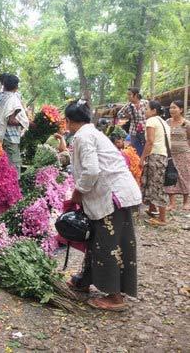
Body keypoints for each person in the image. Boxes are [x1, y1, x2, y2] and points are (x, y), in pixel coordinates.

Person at [65, 100, 141, 311]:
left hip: (112, 197)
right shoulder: (92, 132)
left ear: (69, 121)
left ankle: (115, 298)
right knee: (97, 239)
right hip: (117, 194)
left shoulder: (82, 136)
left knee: (107, 244)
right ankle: (84, 279)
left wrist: (78, 191)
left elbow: (91, 171)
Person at [0, 73, 29, 175]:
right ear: (16, 87)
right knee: (14, 164)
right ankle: (13, 187)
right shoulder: (14, 98)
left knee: (1, 164)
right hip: (11, 138)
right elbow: (11, 120)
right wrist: (23, 123)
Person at [141, 100, 171, 226]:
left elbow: (150, 141)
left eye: (147, 108)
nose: (144, 111)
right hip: (162, 155)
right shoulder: (164, 122)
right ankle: (152, 209)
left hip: (155, 155)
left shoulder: (151, 121)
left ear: (154, 111)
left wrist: (142, 157)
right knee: (153, 182)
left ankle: (162, 219)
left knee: (156, 185)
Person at [164, 100, 190, 211]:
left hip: (184, 154)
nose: (172, 110)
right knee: (170, 176)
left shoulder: (186, 123)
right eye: (170, 108)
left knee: (185, 176)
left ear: (181, 109)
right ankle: (172, 203)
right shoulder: (167, 122)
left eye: (174, 108)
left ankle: (186, 202)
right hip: (170, 154)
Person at [117, 87, 148, 156]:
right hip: (134, 132)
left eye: (129, 94)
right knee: (135, 150)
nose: (128, 97)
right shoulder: (128, 106)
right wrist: (126, 116)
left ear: (136, 95)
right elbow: (119, 114)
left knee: (146, 149)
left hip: (146, 130)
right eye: (127, 95)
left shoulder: (145, 103)